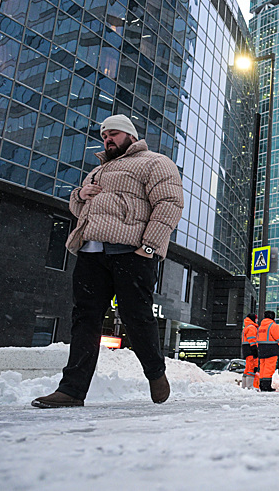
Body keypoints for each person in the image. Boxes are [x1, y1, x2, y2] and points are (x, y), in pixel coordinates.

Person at [32, 114, 184, 408]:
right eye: (104, 136)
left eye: (113, 133)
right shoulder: (97, 171)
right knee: (84, 320)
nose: (108, 139)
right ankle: (71, 390)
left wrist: (149, 248)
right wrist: (80, 193)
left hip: (131, 253)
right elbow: (78, 207)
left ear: (130, 135)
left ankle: (155, 372)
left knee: (135, 316)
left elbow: (170, 204)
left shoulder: (155, 162)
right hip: (91, 252)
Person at [256, 310, 279, 391]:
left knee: (262, 367)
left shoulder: (260, 327)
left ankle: (261, 385)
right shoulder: (273, 326)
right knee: (269, 368)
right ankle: (266, 386)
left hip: (261, 349)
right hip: (271, 349)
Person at [241, 313, 259, 389]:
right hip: (250, 349)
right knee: (251, 368)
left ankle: (244, 386)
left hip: (246, 349)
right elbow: (252, 339)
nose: (257, 320)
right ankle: (249, 386)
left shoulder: (246, 327)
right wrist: (254, 348)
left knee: (247, 368)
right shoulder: (252, 327)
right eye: (256, 319)